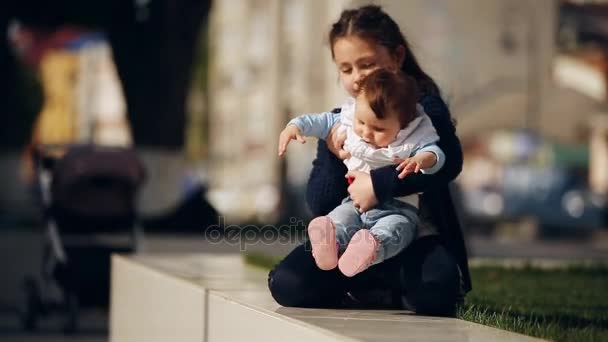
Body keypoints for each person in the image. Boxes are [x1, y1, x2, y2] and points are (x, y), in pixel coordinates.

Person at [268, 4, 471, 316]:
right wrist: (334, 154)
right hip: (351, 237)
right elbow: (318, 202)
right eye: (346, 69)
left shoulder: (421, 109)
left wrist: (378, 184)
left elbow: (449, 162)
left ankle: (383, 288)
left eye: (367, 64)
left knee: (436, 292)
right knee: (287, 283)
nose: (358, 77)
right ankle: (370, 286)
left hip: (414, 235)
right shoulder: (343, 121)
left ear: (397, 57)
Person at [278, 69, 445, 278]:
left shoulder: (412, 138)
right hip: (354, 202)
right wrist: (294, 127)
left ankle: (369, 248)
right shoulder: (347, 122)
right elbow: (319, 121)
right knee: (341, 216)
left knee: (395, 230)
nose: (366, 132)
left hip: (398, 209)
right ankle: (329, 238)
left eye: (378, 129)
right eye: (362, 122)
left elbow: (436, 155)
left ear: (402, 126)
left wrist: (423, 159)